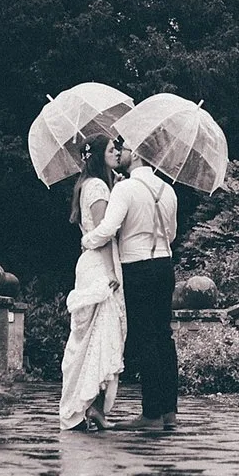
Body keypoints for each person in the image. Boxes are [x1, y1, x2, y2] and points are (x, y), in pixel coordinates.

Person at [83, 135, 179, 428]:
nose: (121, 151)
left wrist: (87, 240)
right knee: (164, 336)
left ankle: (150, 414)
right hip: (165, 265)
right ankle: (169, 412)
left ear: (136, 154)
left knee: (145, 338)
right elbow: (172, 234)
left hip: (138, 268)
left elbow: (108, 228)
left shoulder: (125, 189)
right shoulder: (168, 191)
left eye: (124, 148)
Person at [57, 136, 124, 431]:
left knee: (95, 335)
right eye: (112, 149)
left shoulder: (94, 185)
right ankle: (88, 406)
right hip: (99, 265)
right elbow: (103, 234)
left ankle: (92, 406)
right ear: (98, 156)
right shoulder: (97, 187)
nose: (118, 152)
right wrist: (111, 272)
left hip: (92, 263)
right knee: (100, 334)